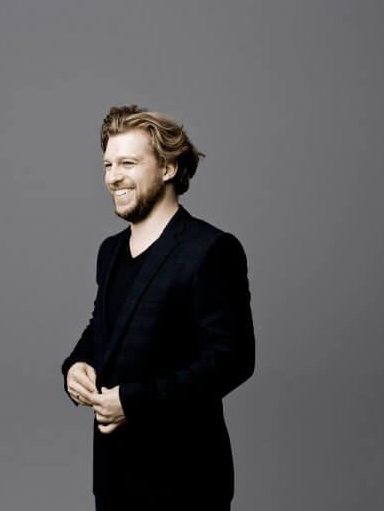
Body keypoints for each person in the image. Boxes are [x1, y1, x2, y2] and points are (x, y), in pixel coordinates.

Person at [61, 105, 255, 510]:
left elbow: (232, 360)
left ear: (168, 168)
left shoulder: (212, 249)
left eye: (128, 163)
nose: (113, 177)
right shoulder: (110, 251)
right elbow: (103, 327)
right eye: (108, 164)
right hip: (113, 478)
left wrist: (134, 402)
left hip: (186, 481)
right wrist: (75, 365)